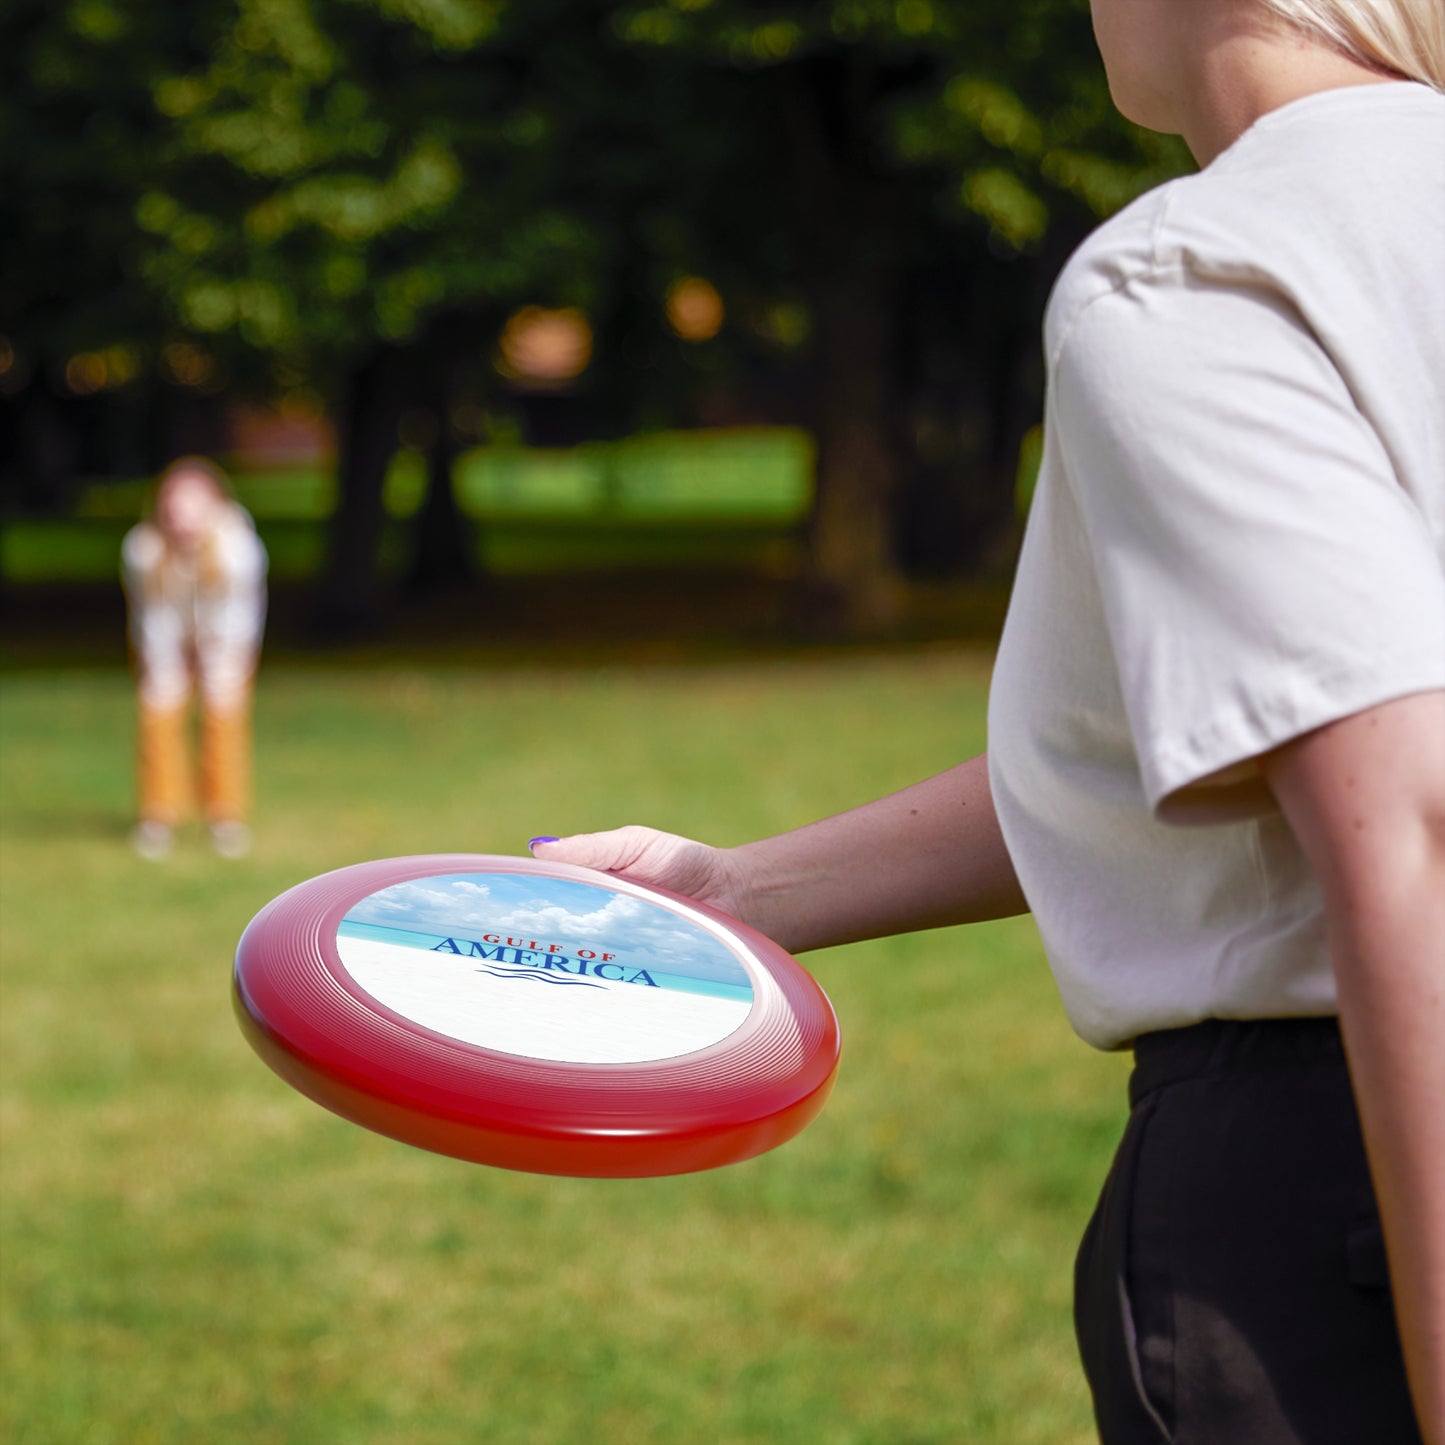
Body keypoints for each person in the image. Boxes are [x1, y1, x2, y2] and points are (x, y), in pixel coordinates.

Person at [529, 2, 1445, 1440]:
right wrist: (737, 890)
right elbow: (1215, 741)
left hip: (1342, 1192)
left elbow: (1408, 822)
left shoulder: (1204, 270)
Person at [121, 457, 268, 860]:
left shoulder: (239, 549)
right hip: (165, 640)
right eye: (174, 506)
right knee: (158, 712)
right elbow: (152, 616)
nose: (182, 517)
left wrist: (215, 660)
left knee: (223, 717)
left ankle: (225, 818)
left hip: (226, 641)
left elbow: (239, 616)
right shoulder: (143, 549)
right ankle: (158, 816)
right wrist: (168, 665)